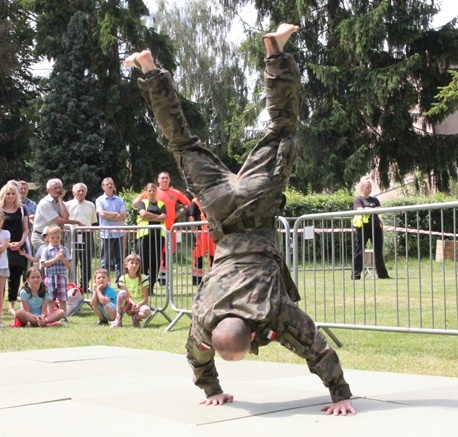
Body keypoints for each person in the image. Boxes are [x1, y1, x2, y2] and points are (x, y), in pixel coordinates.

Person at [125, 24, 355, 415]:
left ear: (250, 335)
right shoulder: (203, 318)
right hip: (218, 207)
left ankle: (276, 52)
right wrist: (210, 384)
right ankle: (147, 70)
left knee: (282, 127)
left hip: (259, 205)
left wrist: (341, 395)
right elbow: (195, 354)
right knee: (181, 142)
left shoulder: (272, 313)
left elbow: (315, 345)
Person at [0, 182, 30, 315]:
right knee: (0, 276)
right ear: (3, 194)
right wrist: (7, 244)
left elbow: (26, 229)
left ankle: (11, 305)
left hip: (19, 247)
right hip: (2, 247)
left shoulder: (22, 208)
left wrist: (20, 242)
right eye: (8, 193)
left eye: (13, 193)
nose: (10, 196)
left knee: (15, 275)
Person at [352, 178, 390, 280]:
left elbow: (380, 209)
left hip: (376, 228)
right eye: (368, 187)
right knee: (359, 251)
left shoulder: (375, 200)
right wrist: (371, 209)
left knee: (378, 251)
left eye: (371, 187)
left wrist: (368, 209)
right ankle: (356, 274)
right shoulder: (358, 200)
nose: (370, 189)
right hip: (363, 229)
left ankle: (382, 274)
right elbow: (360, 210)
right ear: (362, 188)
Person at [31, 178, 82, 252]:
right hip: (40, 236)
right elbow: (60, 221)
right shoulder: (44, 203)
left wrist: (60, 200)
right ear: (48, 191)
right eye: (54, 188)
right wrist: (77, 222)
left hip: (53, 237)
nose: (58, 190)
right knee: (48, 257)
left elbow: (65, 217)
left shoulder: (61, 202)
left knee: (56, 259)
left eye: (60, 188)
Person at [134, 183, 166, 295]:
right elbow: (142, 214)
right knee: (143, 262)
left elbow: (164, 217)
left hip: (158, 236)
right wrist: (157, 217)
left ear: (156, 191)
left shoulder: (161, 204)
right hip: (144, 236)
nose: (152, 192)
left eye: (153, 190)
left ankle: (150, 288)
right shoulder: (142, 203)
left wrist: (150, 215)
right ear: (146, 192)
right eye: (149, 190)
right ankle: (141, 288)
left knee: (155, 263)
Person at [66, 182, 98, 291]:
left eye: (82, 190)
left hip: (86, 235)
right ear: (73, 192)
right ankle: (71, 285)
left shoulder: (91, 205)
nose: (80, 192)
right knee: (72, 260)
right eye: (78, 190)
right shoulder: (68, 205)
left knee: (86, 261)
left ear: (86, 192)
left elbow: (93, 221)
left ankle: (84, 286)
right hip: (72, 235)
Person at [96, 177, 127, 279]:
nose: (110, 186)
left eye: (111, 184)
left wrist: (110, 215)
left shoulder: (119, 200)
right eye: (107, 184)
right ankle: (104, 281)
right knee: (106, 260)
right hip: (106, 235)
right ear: (103, 187)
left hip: (119, 234)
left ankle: (119, 281)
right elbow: (102, 214)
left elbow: (123, 215)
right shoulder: (99, 200)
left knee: (120, 259)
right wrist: (116, 214)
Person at [111, 253, 151, 328]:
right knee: (122, 293)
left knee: (146, 311)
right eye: (132, 263)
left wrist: (138, 305)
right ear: (126, 265)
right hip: (128, 305)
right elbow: (126, 296)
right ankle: (118, 320)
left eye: (137, 263)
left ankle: (136, 319)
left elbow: (145, 298)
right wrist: (133, 304)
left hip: (140, 304)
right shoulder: (123, 278)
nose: (134, 265)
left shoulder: (143, 277)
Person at [40, 225, 71, 320]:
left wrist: (62, 258)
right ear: (48, 238)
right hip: (50, 277)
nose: (55, 240)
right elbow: (44, 264)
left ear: (61, 237)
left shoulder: (65, 250)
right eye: (53, 238)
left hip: (61, 276)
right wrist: (55, 259)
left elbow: (68, 265)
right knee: (50, 298)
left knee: (62, 298)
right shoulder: (46, 250)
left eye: (57, 237)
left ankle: (63, 316)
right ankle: (51, 316)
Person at [188, 197, 216, 286]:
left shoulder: (213, 197)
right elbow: (191, 216)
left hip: (213, 232)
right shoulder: (195, 201)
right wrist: (194, 231)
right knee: (198, 257)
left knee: (214, 257)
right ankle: (196, 280)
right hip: (201, 233)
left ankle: (213, 279)